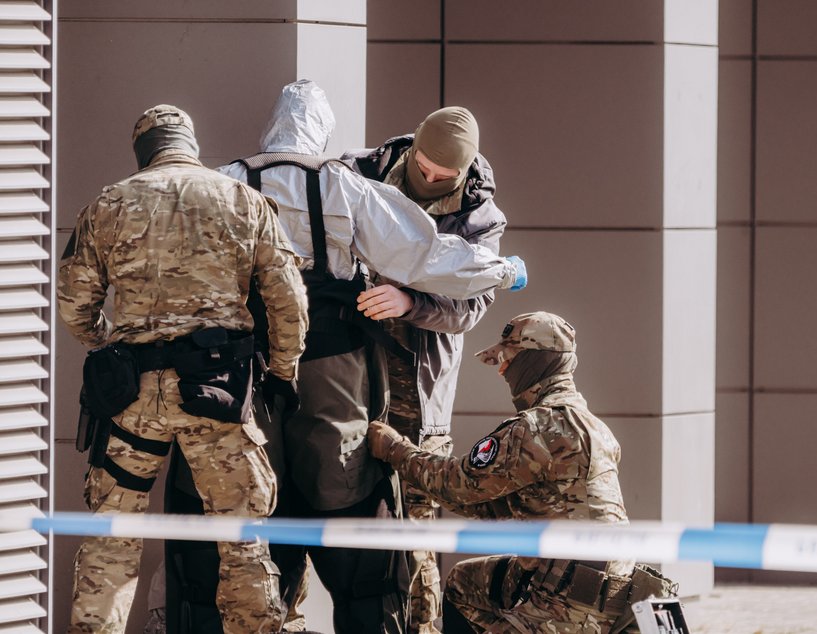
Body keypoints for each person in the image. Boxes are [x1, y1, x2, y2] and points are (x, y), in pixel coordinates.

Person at [163, 80, 527, 634]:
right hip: (332, 365)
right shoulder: (343, 182)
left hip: (243, 367)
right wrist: (503, 271)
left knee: (253, 495)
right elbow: (422, 253)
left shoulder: (225, 181)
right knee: (342, 491)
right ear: (322, 133)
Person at [57, 105, 308, 634]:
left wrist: (108, 347)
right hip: (217, 393)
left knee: (111, 537)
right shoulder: (243, 200)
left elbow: (74, 303)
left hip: (131, 399)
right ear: (190, 145)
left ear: (143, 151)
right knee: (241, 539)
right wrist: (283, 372)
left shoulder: (108, 204)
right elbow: (288, 302)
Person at [367, 312, 678, 633]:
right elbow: (488, 503)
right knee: (465, 582)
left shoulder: (539, 427)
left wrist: (394, 449)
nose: (502, 370)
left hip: (570, 604)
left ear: (533, 361)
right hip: (601, 588)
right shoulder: (592, 426)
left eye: (507, 359)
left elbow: (459, 485)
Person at [342, 105, 503, 634]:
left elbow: (472, 306)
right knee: (325, 514)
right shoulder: (356, 173)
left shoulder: (480, 218)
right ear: (412, 147)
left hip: (418, 386)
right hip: (345, 371)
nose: (429, 180)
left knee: (416, 533)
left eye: (443, 176)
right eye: (423, 167)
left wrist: (410, 302)